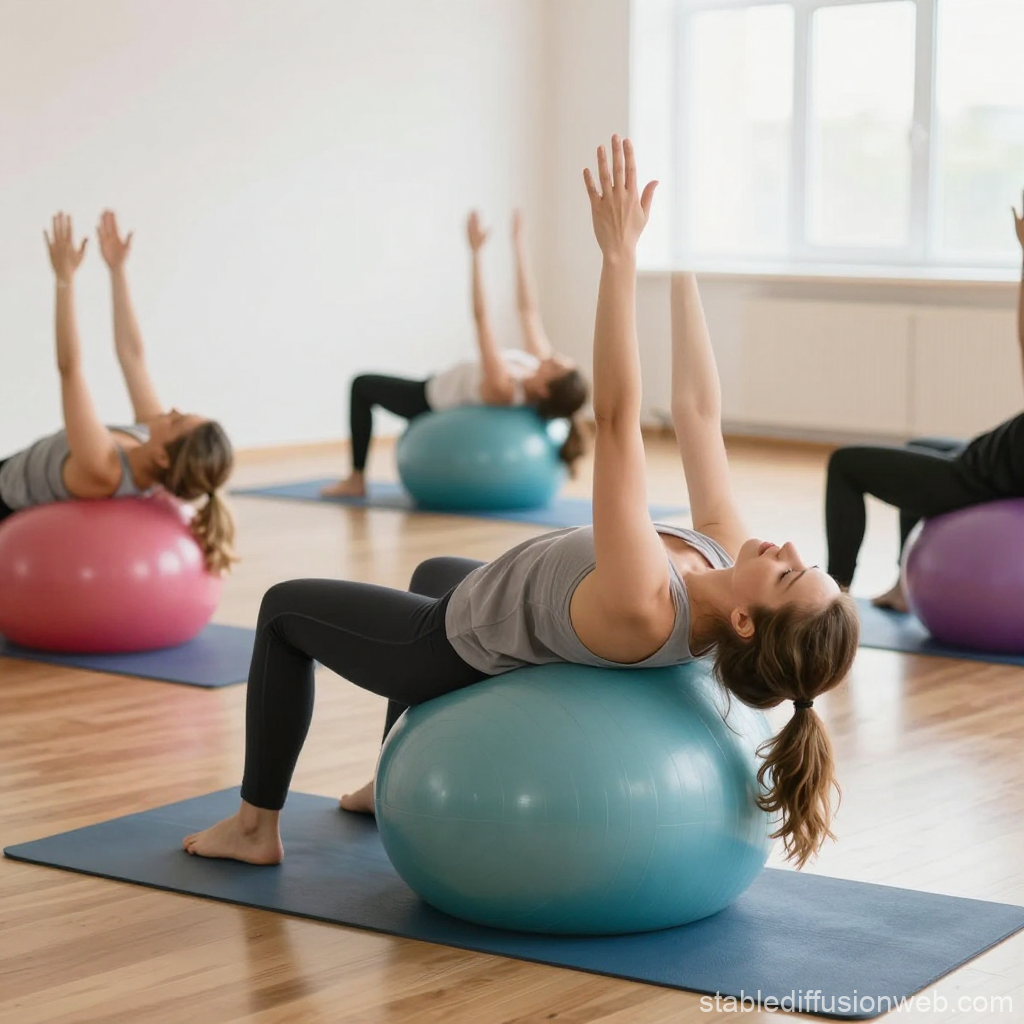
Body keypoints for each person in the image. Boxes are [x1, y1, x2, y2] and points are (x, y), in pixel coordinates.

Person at [183, 136, 859, 871]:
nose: (789, 550)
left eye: (791, 575)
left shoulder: (647, 600)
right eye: (807, 560)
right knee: (438, 568)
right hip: (493, 605)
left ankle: (255, 826)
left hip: (451, 648)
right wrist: (685, 259)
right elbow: (697, 412)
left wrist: (618, 261)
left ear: (742, 620)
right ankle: (389, 780)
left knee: (284, 608)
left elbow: (620, 413)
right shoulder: (721, 554)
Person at [0, 212, 237, 574]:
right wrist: (117, 270)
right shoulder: (150, 439)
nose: (170, 410)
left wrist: (64, 281)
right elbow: (132, 356)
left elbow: (69, 368)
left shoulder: (104, 467)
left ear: (162, 455)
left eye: (177, 420)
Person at [826, 195, 1024, 611]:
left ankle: (832, 598)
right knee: (921, 446)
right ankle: (903, 584)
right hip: (982, 460)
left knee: (845, 464)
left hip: (972, 479)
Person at [320, 209, 589, 497]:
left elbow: (481, 318)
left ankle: (356, 479)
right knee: (365, 384)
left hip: (427, 399)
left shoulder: (504, 387)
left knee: (362, 385)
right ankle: (356, 478)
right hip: (440, 383)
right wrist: (518, 245)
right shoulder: (536, 369)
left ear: (547, 389)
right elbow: (528, 310)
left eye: (558, 365)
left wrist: (475, 255)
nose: (554, 356)